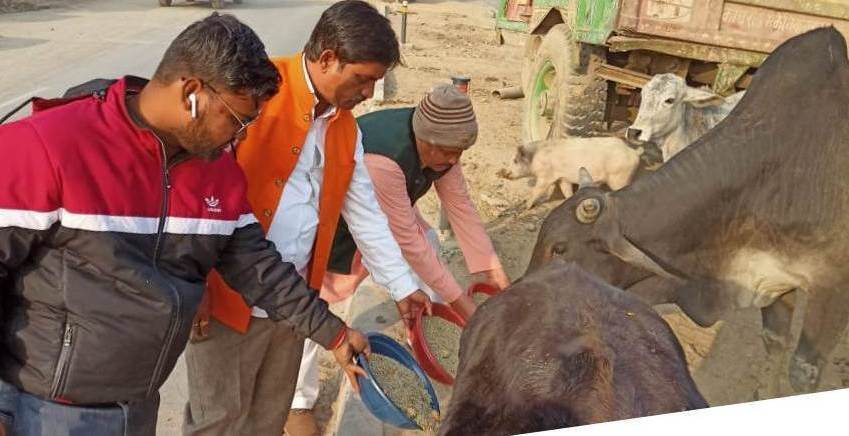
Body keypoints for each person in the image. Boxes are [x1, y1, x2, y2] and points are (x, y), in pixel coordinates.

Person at [0, 12, 369, 436]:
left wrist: (336, 335)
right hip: (45, 413)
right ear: (192, 93)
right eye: (236, 119)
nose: (240, 137)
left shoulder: (219, 172)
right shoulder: (49, 148)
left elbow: (260, 269)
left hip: (137, 408)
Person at [183, 2, 432, 435]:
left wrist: (403, 285)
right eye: (363, 79)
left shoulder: (346, 127)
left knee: (270, 415)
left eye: (375, 81)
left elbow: (364, 212)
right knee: (218, 421)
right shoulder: (253, 90)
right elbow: (195, 187)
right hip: (225, 298)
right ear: (328, 57)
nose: (369, 93)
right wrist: (194, 280)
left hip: (293, 303)